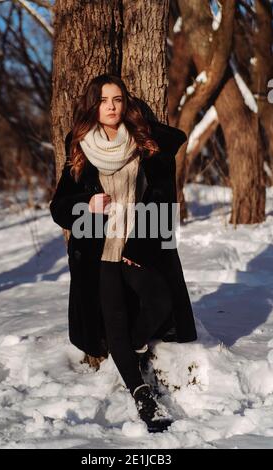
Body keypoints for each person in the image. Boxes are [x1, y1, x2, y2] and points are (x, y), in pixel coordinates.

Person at [50, 74, 197, 433]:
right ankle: (143, 395)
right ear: (93, 105)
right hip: (99, 249)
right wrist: (86, 203)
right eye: (103, 100)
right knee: (113, 316)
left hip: (136, 242)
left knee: (160, 299)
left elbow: (163, 199)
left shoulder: (144, 142)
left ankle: (130, 344)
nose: (111, 107)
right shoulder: (80, 145)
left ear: (125, 102)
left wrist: (141, 245)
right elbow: (58, 207)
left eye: (117, 99)